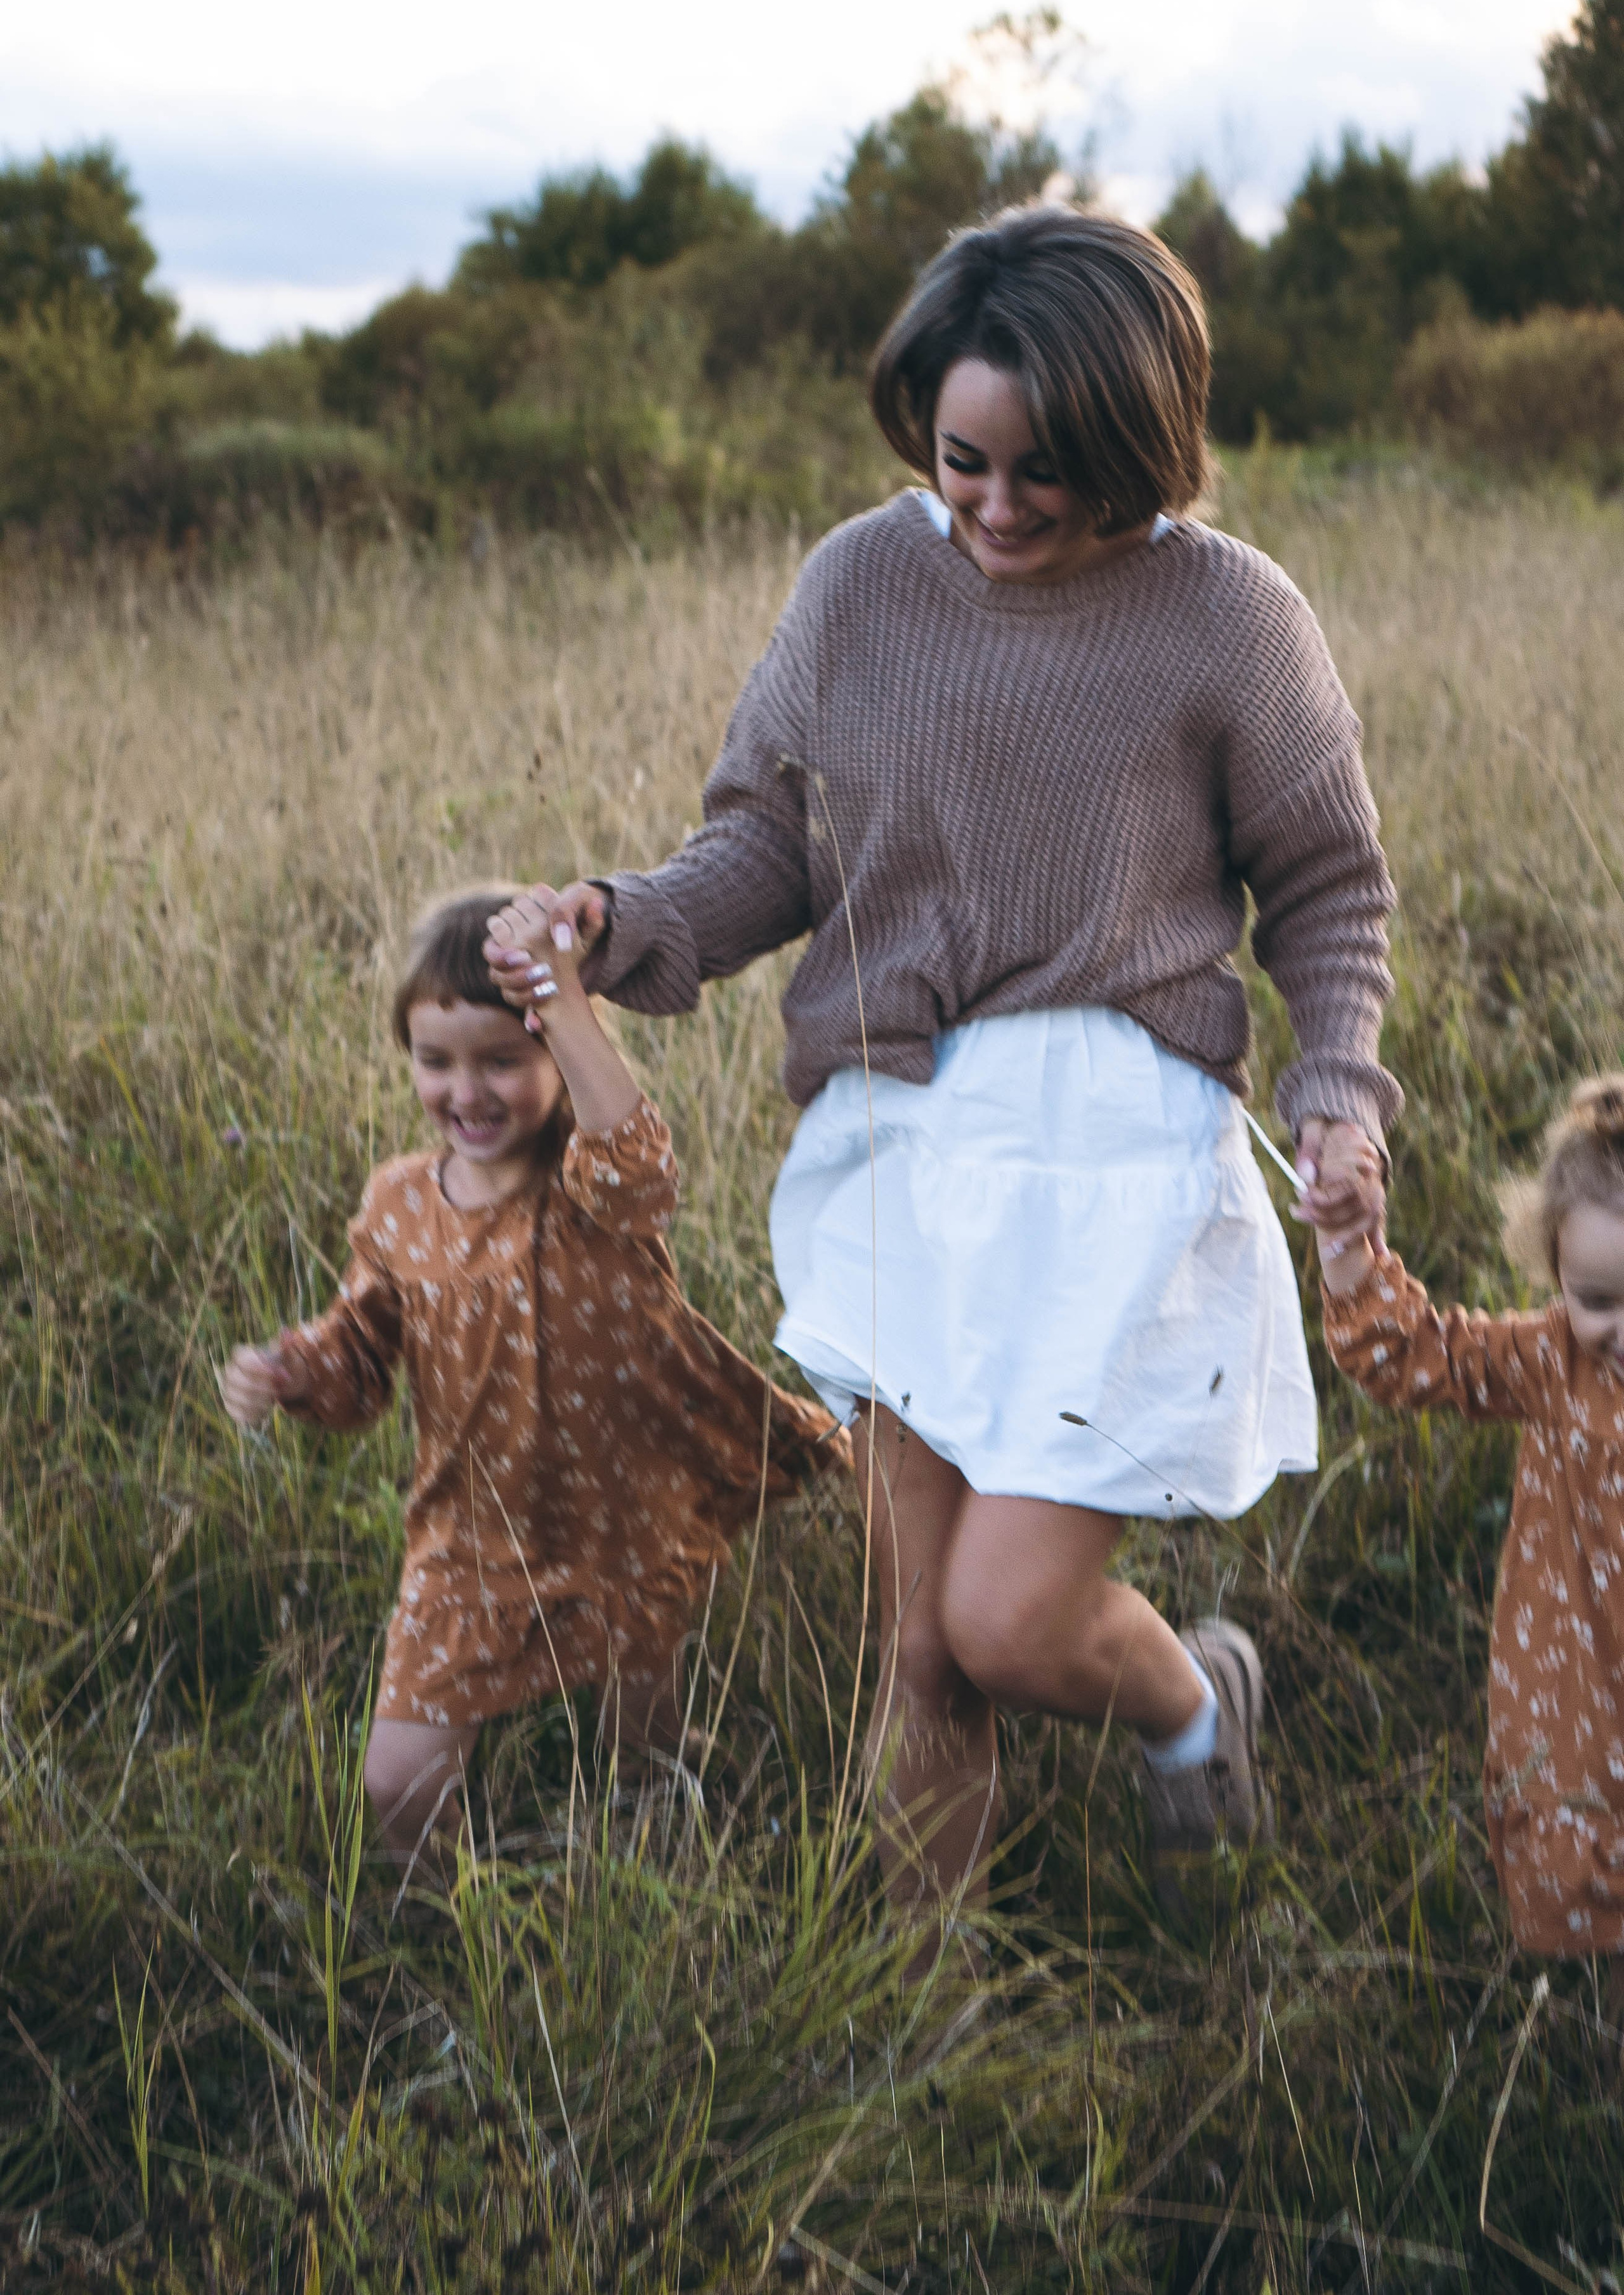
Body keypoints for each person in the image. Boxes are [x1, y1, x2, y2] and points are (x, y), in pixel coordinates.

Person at [486, 203, 1395, 1928]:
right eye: (962, 459)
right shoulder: (861, 582)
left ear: (1143, 443)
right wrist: (623, 916)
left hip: (1114, 1160)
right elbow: (765, 843)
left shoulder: (1228, 617)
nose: (989, 507)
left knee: (1010, 1617)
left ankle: (1198, 1705)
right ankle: (927, 2045)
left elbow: (1331, 884)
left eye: (1042, 472)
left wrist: (1337, 1088)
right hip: (899, 1146)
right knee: (916, 1644)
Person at [218, 886, 842, 1875]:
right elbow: (362, 1358)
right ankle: (440, 1937)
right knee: (398, 1779)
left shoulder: (594, 1188)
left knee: (646, 1753)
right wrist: (296, 1370)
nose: (466, 1091)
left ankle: (677, 1842)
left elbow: (643, 1163)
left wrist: (560, 991)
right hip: (471, 1539)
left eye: (501, 1060)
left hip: (620, 1522)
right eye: (436, 1062)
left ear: (557, 1051)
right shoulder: (398, 1207)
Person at [1313, 1077, 1624, 1983]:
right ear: (1555, 1272)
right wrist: (1346, 1248)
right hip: (1577, 1675)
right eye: (1598, 1298)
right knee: (1577, 1830)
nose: (1620, 1331)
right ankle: (1590, 2017)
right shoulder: (1549, 1359)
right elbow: (1418, 1355)